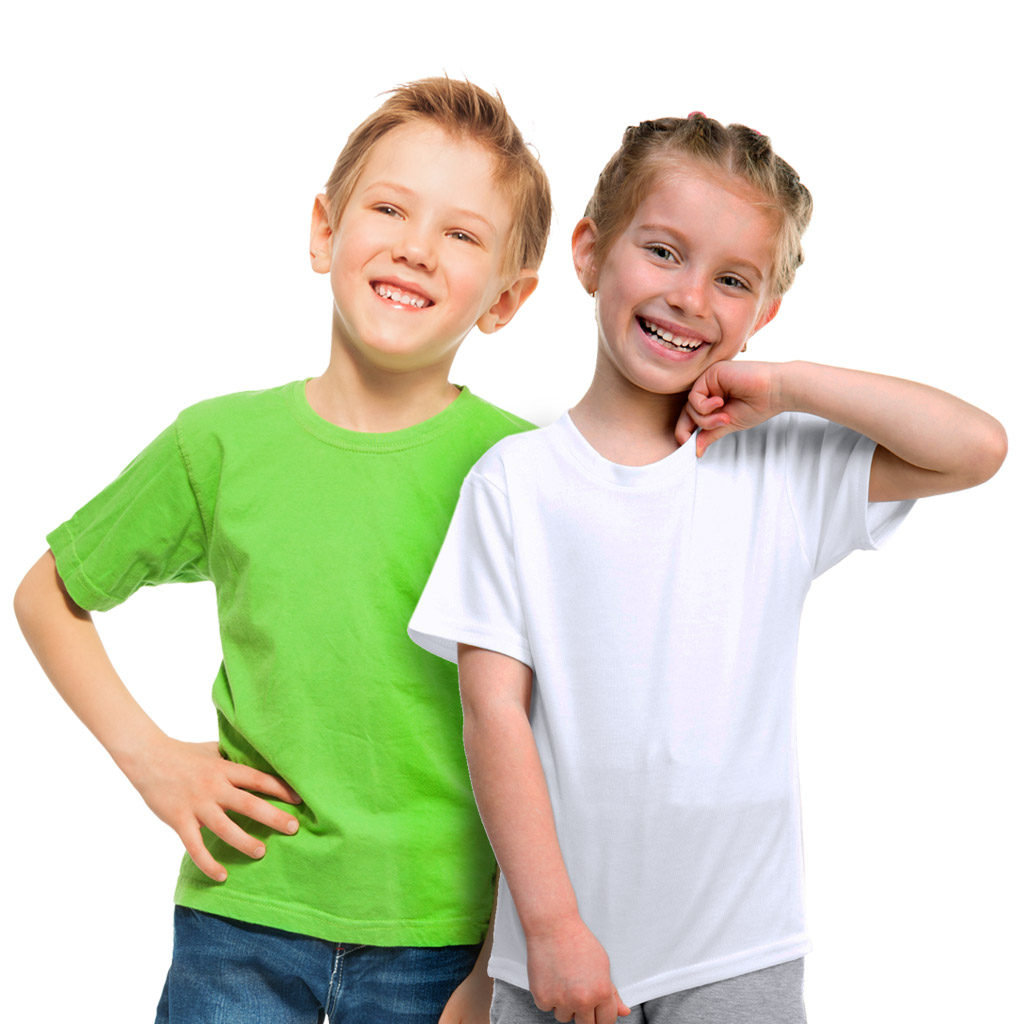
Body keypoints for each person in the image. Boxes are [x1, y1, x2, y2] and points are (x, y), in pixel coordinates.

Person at [408, 114, 1007, 1024]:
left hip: (739, 949)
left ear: (763, 312)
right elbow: (495, 718)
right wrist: (554, 927)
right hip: (562, 956)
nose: (690, 297)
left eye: (733, 280)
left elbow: (976, 448)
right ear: (589, 253)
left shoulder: (780, 468)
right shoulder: (514, 484)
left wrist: (791, 385)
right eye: (662, 252)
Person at [13, 77, 551, 1024]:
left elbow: (561, 731)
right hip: (243, 917)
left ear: (505, 299)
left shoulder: (522, 473)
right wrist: (152, 760)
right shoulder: (220, 445)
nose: (416, 248)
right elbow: (49, 593)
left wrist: (497, 960)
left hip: (444, 940)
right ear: (323, 231)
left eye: (463, 234)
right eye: (390, 209)